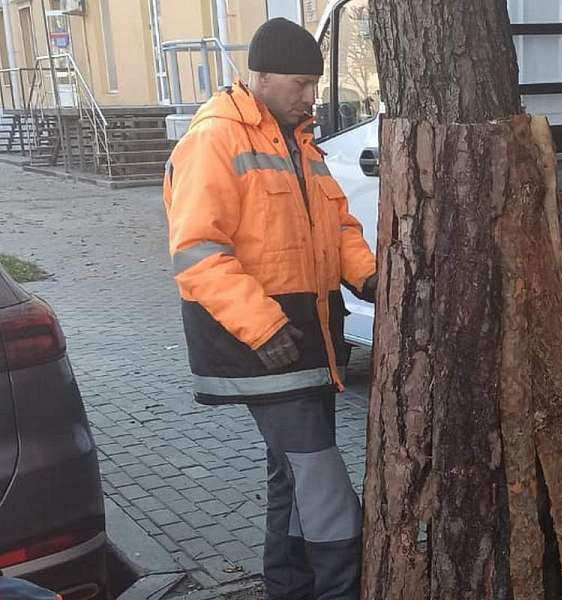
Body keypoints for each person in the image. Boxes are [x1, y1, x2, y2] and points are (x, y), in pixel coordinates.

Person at [163, 18, 376, 600]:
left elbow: (337, 223)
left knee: (292, 476)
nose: (310, 96)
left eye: (314, 83)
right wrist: (262, 327)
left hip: (309, 341)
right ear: (259, 76)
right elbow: (197, 252)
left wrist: (369, 276)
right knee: (320, 479)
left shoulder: (298, 139)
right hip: (261, 342)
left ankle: (289, 587)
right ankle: (341, 589)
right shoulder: (215, 138)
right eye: (300, 83)